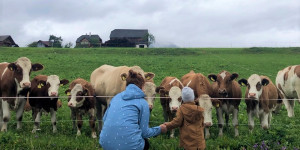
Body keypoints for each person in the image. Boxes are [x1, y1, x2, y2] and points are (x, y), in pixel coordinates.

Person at [99, 69, 167, 150]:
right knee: (146, 144)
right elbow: (145, 133)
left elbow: (104, 118)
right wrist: (160, 129)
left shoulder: (116, 97)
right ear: (143, 85)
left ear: (127, 84)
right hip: (130, 146)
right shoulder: (143, 103)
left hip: (105, 143)